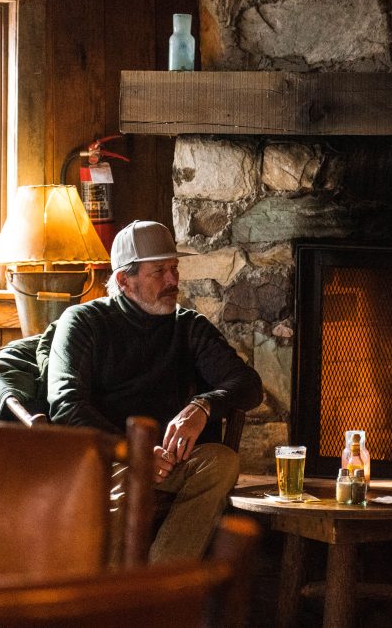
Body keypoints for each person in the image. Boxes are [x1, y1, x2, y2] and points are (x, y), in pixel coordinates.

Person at [48, 220, 263, 563]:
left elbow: (249, 386)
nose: (173, 281)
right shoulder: (84, 322)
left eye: (175, 268)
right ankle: (108, 602)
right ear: (123, 280)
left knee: (222, 462)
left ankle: (161, 588)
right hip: (111, 458)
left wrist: (204, 405)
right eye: (159, 271)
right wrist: (132, 452)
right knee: (121, 496)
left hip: (174, 462)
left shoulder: (189, 327)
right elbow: (66, 405)